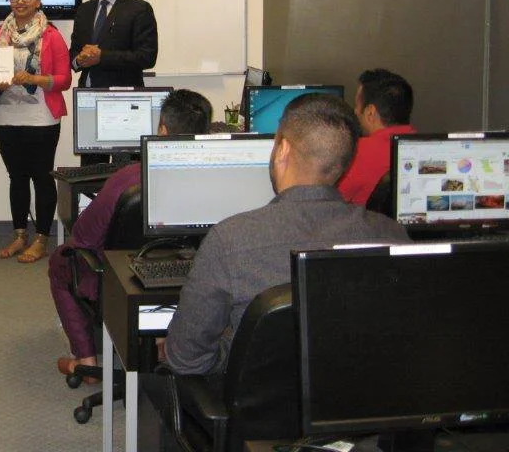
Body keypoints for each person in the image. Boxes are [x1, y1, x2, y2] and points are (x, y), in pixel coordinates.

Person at [162, 93, 410, 376]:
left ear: (282, 150)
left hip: (257, 402)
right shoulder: (393, 236)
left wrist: (235, 349)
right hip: (359, 398)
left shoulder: (229, 240)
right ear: (344, 162)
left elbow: (185, 359)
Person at [50, 89, 212, 380]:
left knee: (61, 259)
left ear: (163, 130)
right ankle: (162, 343)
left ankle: (87, 361)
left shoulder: (128, 178)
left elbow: (84, 238)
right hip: (185, 278)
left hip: (125, 281)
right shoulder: (214, 178)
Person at [0, 0, 72, 263]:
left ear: (38, 1)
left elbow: (65, 80)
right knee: (17, 177)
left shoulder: (52, 35)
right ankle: (19, 235)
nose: (20, 2)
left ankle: (42, 239)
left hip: (41, 117)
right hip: (5, 115)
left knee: (42, 178)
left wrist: (34, 79)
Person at [70, 0, 158, 164]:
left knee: (124, 170)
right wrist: (79, 60)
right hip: (89, 101)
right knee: (90, 171)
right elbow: (73, 52)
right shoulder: (84, 10)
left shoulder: (139, 9)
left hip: (124, 102)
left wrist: (103, 57)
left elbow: (147, 57)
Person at [337, 68, 415, 206]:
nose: (355, 111)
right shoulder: (425, 148)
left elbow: (328, 202)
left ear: (370, 113)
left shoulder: (356, 152)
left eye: (357, 105)